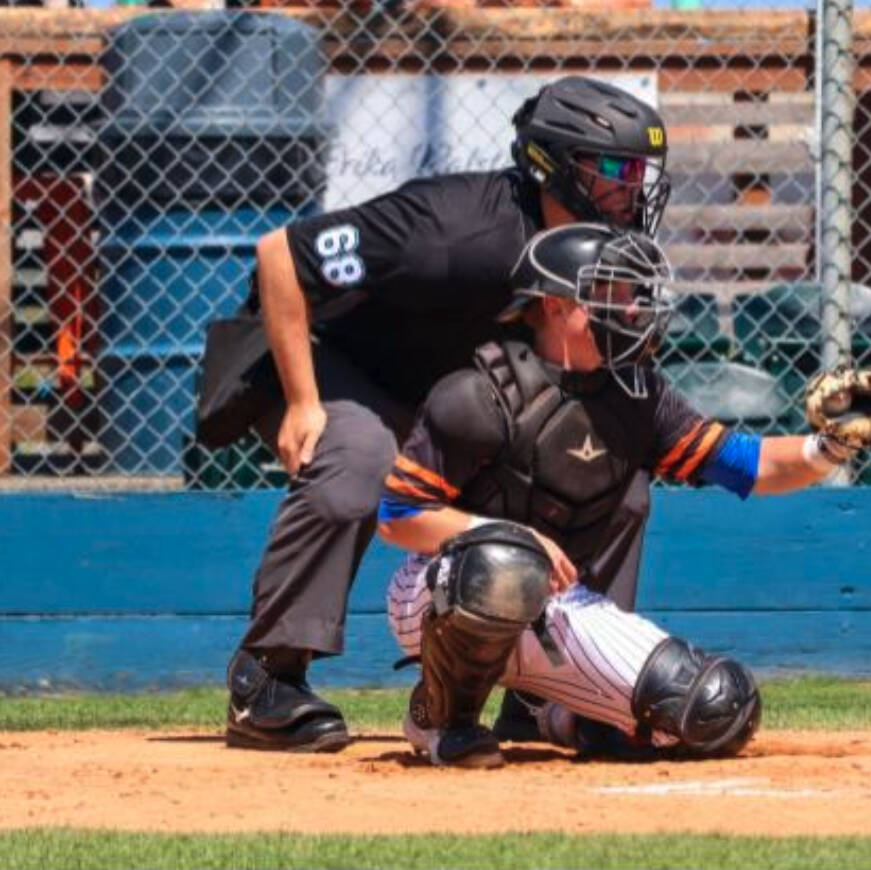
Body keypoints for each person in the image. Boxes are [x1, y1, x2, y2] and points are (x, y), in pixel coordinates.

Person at [217, 76, 671, 753]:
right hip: (353, 367)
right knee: (356, 465)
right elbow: (281, 254)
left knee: (618, 483)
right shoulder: (452, 229)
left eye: (639, 173)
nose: (630, 190)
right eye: (613, 170)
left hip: (462, 399)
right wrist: (305, 402)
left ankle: (549, 688)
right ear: (554, 165)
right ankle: (266, 681)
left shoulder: (601, 256)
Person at [376, 222, 871, 767]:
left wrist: (828, 445)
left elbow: (747, 465)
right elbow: (399, 517)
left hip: (560, 609)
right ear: (553, 305)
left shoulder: (638, 395)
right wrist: (509, 537)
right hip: (441, 596)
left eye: (631, 293)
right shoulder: (480, 393)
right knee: (503, 564)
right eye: (609, 293)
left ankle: (561, 715)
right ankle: (442, 717)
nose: (632, 309)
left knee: (716, 708)